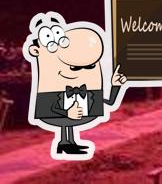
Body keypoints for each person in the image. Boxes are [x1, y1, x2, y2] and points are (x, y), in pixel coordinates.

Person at [23, 12, 128, 159]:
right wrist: (67, 113)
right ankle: (65, 143)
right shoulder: (51, 90)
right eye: (75, 68)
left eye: (90, 66)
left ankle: (68, 143)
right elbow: (51, 108)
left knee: (69, 123)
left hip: (72, 106)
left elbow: (109, 102)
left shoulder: (88, 90)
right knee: (67, 121)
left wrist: (115, 85)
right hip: (60, 110)